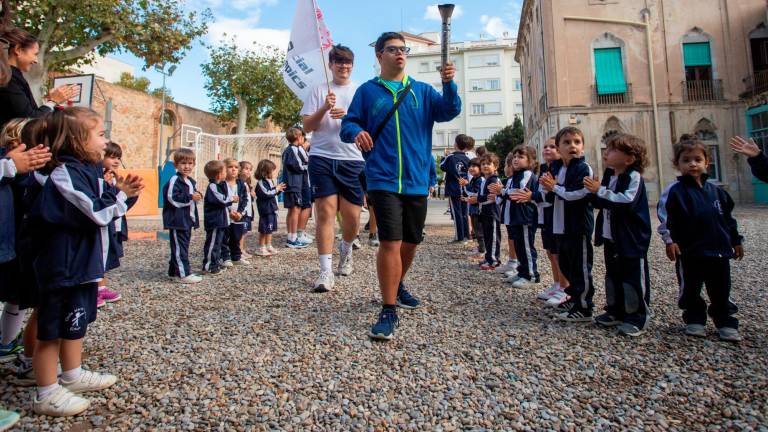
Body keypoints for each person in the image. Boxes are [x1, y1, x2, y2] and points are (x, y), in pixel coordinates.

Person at [341, 31, 461, 340]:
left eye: (403, 49)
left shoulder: (421, 90)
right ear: (379, 55)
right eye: (393, 49)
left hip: (417, 179)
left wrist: (449, 84)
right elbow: (348, 124)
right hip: (382, 178)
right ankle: (388, 308)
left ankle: (397, 283)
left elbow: (450, 110)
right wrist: (356, 132)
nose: (400, 53)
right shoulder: (368, 92)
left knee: (411, 242)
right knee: (390, 242)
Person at [31, 107, 143, 416]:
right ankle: (46, 391)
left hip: (83, 265)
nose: (106, 142)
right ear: (77, 139)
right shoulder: (64, 174)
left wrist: (124, 192)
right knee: (51, 330)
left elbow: (107, 204)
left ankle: (72, 374)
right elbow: (94, 212)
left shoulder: (89, 170)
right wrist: (118, 197)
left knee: (75, 320)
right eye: (101, 134)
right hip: (64, 265)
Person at [658, 135, 744, 342]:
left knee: (721, 288)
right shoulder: (675, 192)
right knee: (690, 288)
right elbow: (666, 218)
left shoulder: (717, 192)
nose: (692, 164)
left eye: (697, 159)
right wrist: (670, 240)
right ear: (677, 164)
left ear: (707, 161)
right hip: (690, 251)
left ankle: (725, 321)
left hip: (719, 250)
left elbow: (727, 218)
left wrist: (736, 240)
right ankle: (694, 319)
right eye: (686, 160)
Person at [301, 44, 364, 292]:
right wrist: (325, 108)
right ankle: (325, 271)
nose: (343, 66)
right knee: (325, 214)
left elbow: (369, 123)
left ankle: (346, 249)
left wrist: (347, 116)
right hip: (322, 157)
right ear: (330, 65)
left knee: (352, 218)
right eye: (338, 62)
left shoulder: (360, 92)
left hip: (353, 159)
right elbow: (307, 126)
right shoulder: (318, 91)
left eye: (347, 62)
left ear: (352, 65)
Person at [584, 133, 651, 337]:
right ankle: (615, 310)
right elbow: (601, 202)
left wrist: (600, 192)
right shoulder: (609, 176)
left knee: (632, 278)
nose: (607, 152)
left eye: (613, 150)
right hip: (611, 237)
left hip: (630, 239)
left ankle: (637, 316)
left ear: (629, 158)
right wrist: (592, 192)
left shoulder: (633, 177)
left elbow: (626, 203)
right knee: (613, 275)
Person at [539, 126, 595, 322]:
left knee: (580, 266)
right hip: (560, 224)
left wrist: (554, 188)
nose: (572, 146)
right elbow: (548, 193)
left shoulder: (582, 168)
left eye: (577, 142)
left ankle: (585, 306)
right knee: (566, 262)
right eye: (567, 142)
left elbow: (579, 193)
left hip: (578, 225)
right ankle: (573, 297)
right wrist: (543, 191)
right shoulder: (556, 168)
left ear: (583, 147)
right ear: (559, 148)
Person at [0, 27, 78, 127]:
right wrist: (53, 101)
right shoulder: (8, 78)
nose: (36, 60)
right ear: (18, 50)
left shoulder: (12, 76)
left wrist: (48, 101)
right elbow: (30, 121)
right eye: (35, 54)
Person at [98, 141, 139, 307]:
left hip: (114, 225)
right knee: (99, 256)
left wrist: (132, 193)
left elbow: (123, 205)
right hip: (103, 224)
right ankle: (93, 289)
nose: (115, 161)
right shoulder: (100, 178)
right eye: (111, 157)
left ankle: (101, 287)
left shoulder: (116, 179)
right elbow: (104, 201)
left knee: (107, 257)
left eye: (118, 158)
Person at [533, 137, 569, 305]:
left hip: (557, 214)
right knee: (550, 251)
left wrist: (532, 196)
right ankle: (557, 283)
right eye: (545, 146)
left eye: (552, 147)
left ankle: (565, 287)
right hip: (546, 213)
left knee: (558, 253)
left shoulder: (562, 168)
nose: (547, 149)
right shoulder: (546, 168)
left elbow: (552, 192)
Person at [162, 148, 202, 284]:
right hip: (177, 220)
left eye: (190, 163)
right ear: (176, 165)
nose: (187, 166)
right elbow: (172, 198)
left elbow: (191, 196)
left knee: (182, 246)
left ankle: (173, 272)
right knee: (180, 247)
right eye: (183, 163)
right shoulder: (175, 180)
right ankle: (183, 274)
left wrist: (197, 195)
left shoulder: (190, 181)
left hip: (187, 220)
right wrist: (190, 196)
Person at [503, 145, 540, 288]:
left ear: (530, 161)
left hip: (525, 216)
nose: (516, 159)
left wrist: (502, 192)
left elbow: (518, 191)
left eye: (521, 157)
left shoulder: (528, 174)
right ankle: (522, 271)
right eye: (515, 157)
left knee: (526, 247)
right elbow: (507, 190)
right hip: (516, 216)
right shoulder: (515, 175)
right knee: (519, 246)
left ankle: (531, 275)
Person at [202, 160, 238, 274]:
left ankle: (215, 263)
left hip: (221, 221)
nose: (225, 174)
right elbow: (221, 200)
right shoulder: (212, 186)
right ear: (219, 174)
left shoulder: (219, 186)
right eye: (223, 172)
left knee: (217, 244)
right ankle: (208, 265)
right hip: (214, 221)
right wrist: (232, 199)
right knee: (212, 244)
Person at [281, 127, 310, 249]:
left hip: (295, 184)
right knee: (295, 210)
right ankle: (292, 239)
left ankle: (292, 236)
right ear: (299, 137)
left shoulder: (293, 150)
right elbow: (298, 165)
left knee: (294, 210)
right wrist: (309, 166)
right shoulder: (292, 150)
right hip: (294, 185)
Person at [440, 134, 472, 243]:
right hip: (465, 189)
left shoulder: (451, 157)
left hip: (454, 189)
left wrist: (445, 156)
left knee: (456, 213)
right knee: (464, 213)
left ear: (456, 144)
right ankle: (467, 236)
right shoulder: (467, 158)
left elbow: (442, 166)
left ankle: (459, 237)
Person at [220, 158, 249, 266]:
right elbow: (220, 200)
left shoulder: (242, 184)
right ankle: (225, 257)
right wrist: (228, 212)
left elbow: (245, 200)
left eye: (236, 167)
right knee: (224, 237)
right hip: (225, 216)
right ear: (224, 169)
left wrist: (240, 213)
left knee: (236, 237)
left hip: (238, 216)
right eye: (230, 167)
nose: (233, 169)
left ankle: (236, 257)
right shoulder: (221, 184)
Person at [476, 154, 503, 270]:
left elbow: (491, 197)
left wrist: (477, 199)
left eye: (488, 164)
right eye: (483, 164)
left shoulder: (493, 179)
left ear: (495, 166)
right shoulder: (486, 180)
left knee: (493, 236)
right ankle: (488, 257)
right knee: (487, 236)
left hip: (492, 212)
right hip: (485, 212)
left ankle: (493, 260)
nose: (485, 166)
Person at [254, 159, 286, 257]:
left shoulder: (270, 181)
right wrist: (276, 189)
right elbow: (267, 193)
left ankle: (268, 245)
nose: (273, 172)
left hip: (272, 208)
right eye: (272, 170)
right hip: (265, 210)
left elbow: (273, 192)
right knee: (264, 229)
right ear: (265, 171)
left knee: (270, 228)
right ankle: (261, 247)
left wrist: (279, 189)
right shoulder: (260, 183)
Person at [463, 158, 485, 256]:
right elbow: (470, 193)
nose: (471, 168)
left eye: (474, 166)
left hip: (478, 209)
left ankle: (483, 249)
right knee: (476, 229)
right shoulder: (474, 179)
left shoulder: (480, 179)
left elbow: (475, 193)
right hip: (473, 208)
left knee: (479, 230)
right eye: (470, 166)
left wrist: (466, 185)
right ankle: (480, 247)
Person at [238, 160, 256, 258]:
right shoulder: (239, 183)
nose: (248, 171)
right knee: (241, 232)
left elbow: (249, 199)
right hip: (243, 212)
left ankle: (242, 249)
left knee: (245, 232)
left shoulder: (247, 184)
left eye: (250, 169)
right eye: (246, 169)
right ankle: (239, 250)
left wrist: (252, 195)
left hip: (248, 211)